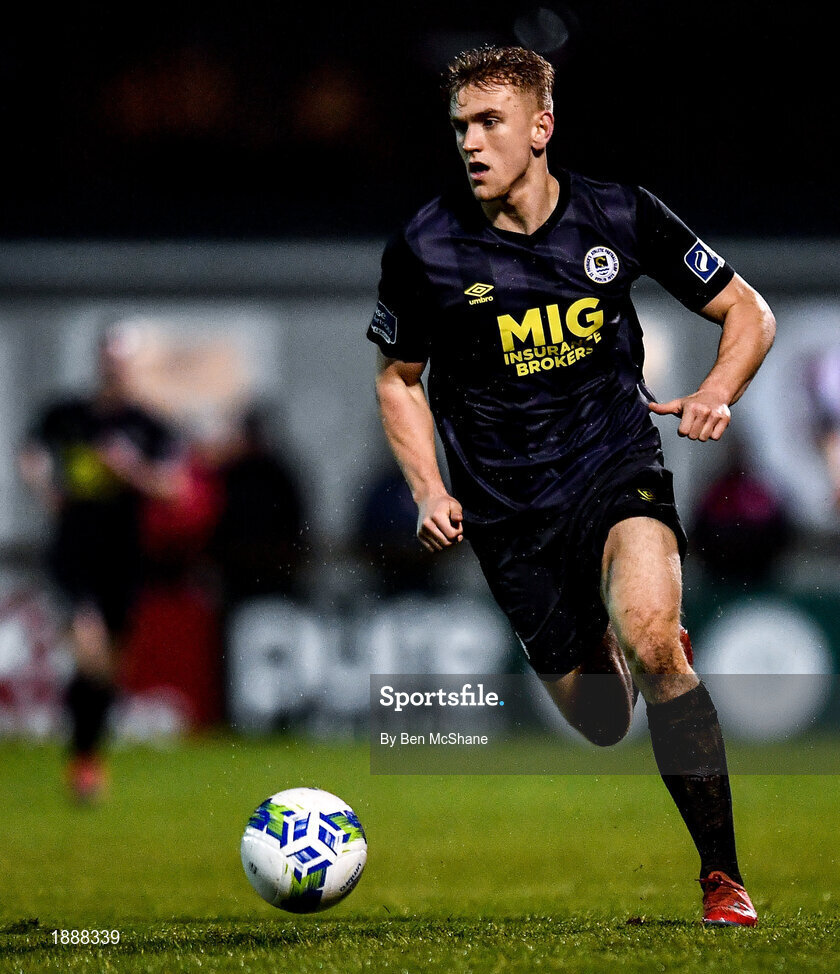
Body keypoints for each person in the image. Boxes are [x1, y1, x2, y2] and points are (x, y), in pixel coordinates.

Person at [366, 46, 775, 926]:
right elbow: (398, 378)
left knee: (656, 644)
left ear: (541, 128)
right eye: (460, 128)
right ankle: (618, 636)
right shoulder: (428, 245)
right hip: (508, 512)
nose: (471, 144)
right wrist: (430, 490)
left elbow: (750, 310)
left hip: (613, 463)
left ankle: (723, 881)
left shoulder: (618, 214)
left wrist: (714, 391)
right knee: (600, 717)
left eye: (490, 124)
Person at [18, 323, 183, 801]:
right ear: (101, 363)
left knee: (110, 669)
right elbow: (32, 455)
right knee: (89, 653)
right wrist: (46, 484)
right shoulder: (68, 416)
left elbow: (174, 488)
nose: (117, 370)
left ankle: (88, 753)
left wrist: (129, 469)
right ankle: (83, 763)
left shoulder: (149, 426)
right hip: (73, 555)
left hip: (124, 559)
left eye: (124, 362)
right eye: (111, 361)